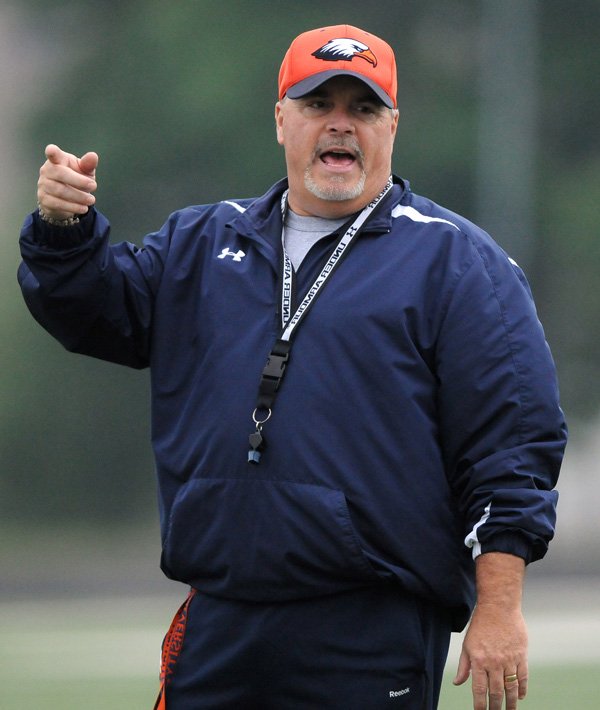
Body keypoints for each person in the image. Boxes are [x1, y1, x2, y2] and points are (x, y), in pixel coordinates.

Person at [19, 23, 566, 710]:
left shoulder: (456, 262)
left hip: (371, 627)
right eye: (318, 105)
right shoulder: (203, 241)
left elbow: (511, 445)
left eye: (363, 109)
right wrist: (63, 232)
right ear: (281, 119)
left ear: (392, 125)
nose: (340, 126)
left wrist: (499, 607)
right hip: (221, 620)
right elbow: (95, 313)